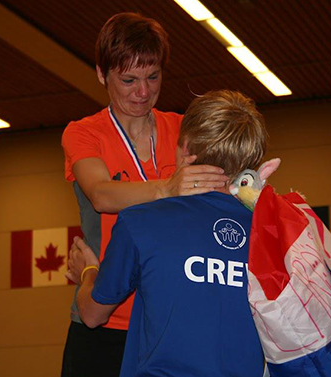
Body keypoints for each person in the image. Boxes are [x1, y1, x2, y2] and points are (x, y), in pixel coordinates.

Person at [60, 13, 228, 377]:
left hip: (171, 317)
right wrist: (169, 187)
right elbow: (102, 195)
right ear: (102, 75)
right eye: (129, 79)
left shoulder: (184, 129)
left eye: (153, 77)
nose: (143, 91)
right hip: (105, 321)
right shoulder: (84, 133)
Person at [67, 90, 267, 377]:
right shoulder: (271, 229)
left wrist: (88, 271)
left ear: (184, 149)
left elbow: (92, 315)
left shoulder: (140, 222)